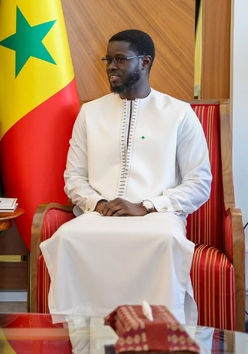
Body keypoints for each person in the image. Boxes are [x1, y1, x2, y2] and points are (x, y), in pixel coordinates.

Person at [40, 29, 212, 325]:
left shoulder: (179, 114)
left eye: (120, 59)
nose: (111, 67)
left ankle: (159, 333)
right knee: (68, 236)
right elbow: (74, 177)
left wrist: (146, 206)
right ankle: (84, 336)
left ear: (145, 62)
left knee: (165, 239)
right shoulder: (90, 113)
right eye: (108, 60)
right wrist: (99, 203)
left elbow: (199, 182)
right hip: (98, 215)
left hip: (159, 217)